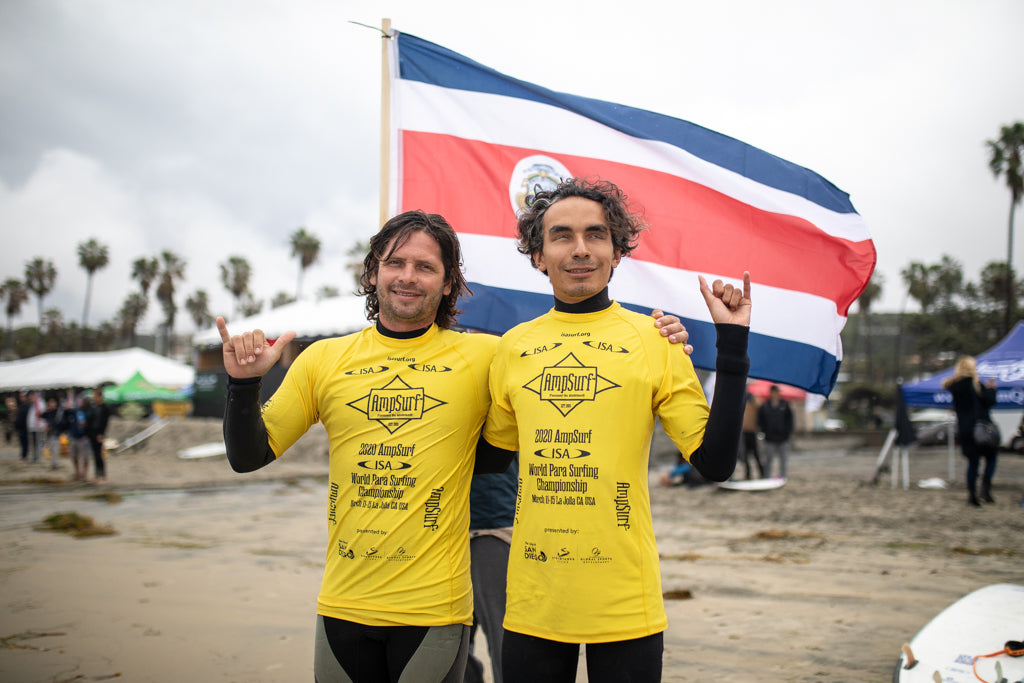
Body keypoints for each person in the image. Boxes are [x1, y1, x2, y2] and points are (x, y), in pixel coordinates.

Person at [216, 209, 691, 682]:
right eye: (395, 262)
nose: (408, 276)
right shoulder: (324, 359)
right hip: (341, 601)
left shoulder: (486, 355)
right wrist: (242, 386)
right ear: (372, 272)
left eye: (426, 267)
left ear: (448, 284)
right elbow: (248, 456)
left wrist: (662, 339)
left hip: (435, 606)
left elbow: (558, 365)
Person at [481, 177, 751, 683]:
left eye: (596, 234)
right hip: (535, 598)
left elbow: (715, 465)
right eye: (561, 236)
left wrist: (733, 343)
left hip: (625, 598)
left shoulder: (656, 340)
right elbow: (490, 458)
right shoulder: (511, 348)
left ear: (617, 251)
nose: (580, 249)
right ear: (538, 255)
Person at [942, 356, 998, 506]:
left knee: (973, 463)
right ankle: (985, 487)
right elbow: (988, 401)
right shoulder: (974, 384)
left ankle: (972, 495)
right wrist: (992, 389)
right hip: (980, 428)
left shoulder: (954, 385)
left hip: (965, 430)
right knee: (991, 457)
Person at [757, 384, 794, 479]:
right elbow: (760, 421)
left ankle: (782, 477)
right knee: (768, 460)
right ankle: (767, 478)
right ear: (771, 393)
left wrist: (787, 432)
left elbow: (790, 420)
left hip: (783, 438)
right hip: (770, 438)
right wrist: (764, 432)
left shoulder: (785, 405)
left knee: (783, 460)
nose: (775, 394)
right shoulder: (765, 406)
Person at [739, 388, 764, 479]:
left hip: (752, 431)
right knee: (744, 455)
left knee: (756, 454)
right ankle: (748, 474)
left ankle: (762, 473)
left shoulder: (753, 399)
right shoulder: (740, 399)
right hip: (743, 432)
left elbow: (760, 406)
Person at [88, 387, 111, 483]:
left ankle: (102, 475)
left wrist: (101, 434)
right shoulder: (94, 407)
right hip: (92, 433)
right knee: (95, 455)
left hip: (99, 434)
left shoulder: (104, 407)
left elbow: (105, 422)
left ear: (99, 396)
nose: (93, 398)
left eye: (95, 396)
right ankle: (97, 475)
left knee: (99, 455)